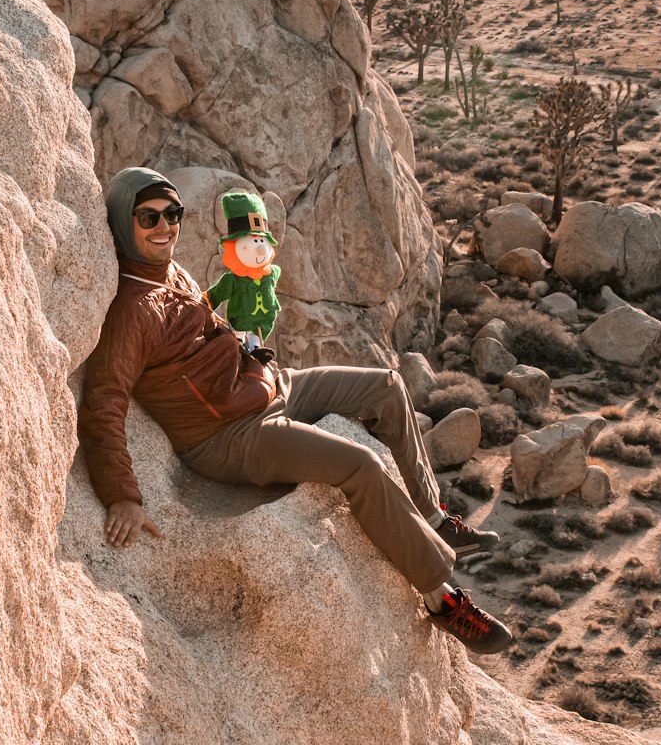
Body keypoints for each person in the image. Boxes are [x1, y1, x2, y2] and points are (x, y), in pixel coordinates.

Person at [77, 167, 512, 655]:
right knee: (360, 465)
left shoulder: (170, 272)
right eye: (148, 217)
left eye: (172, 214)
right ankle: (441, 596)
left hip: (264, 387)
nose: (164, 227)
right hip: (229, 435)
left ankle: (431, 515)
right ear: (122, 222)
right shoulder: (132, 310)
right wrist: (122, 494)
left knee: (387, 387)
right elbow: (104, 402)